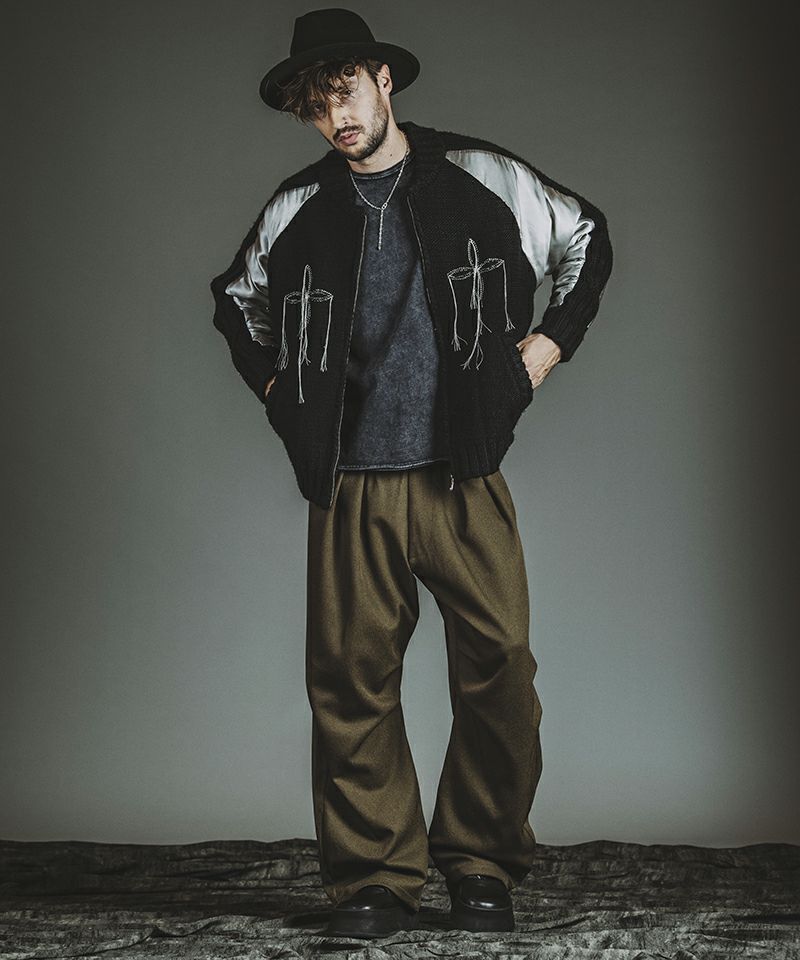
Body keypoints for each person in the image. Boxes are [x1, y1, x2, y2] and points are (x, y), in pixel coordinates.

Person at [210, 7, 613, 940]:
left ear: (383, 80)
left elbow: (586, 235)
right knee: (350, 682)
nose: (336, 119)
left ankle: (480, 865)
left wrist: (544, 348)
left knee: (500, 668)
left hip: (459, 473)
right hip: (351, 481)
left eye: (345, 93)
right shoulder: (299, 204)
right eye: (317, 108)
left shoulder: (478, 174)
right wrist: (283, 396)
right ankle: (374, 880)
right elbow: (236, 302)